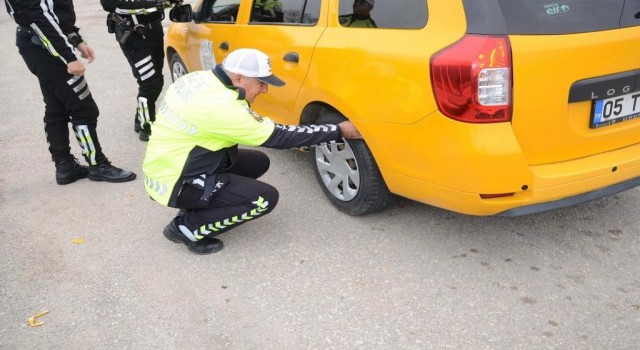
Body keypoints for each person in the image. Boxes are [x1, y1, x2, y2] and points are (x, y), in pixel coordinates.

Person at [142, 48, 363, 254]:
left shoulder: (198, 79)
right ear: (238, 79)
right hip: (174, 183)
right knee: (264, 199)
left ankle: (200, 204)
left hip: (167, 165)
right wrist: (339, 130)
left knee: (257, 162)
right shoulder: (222, 108)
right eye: (261, 83)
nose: (265, 89)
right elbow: (281, 136)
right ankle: (186, 228)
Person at [5, 0, 136, 185]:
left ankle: (65, 167)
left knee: (56, 107)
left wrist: (76, 39)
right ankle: (97, 165)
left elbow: (56, 12)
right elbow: (39, 17)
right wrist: (68, 56)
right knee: (84, 108)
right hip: (44, 47)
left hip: (38, 43)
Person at [100, 0, 178, 141]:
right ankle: (146, 127)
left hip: (155, 30)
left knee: (157, 81)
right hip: (134, 36)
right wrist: (154, 4)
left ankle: (140, 117)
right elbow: (112, 5)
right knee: (149, 82)